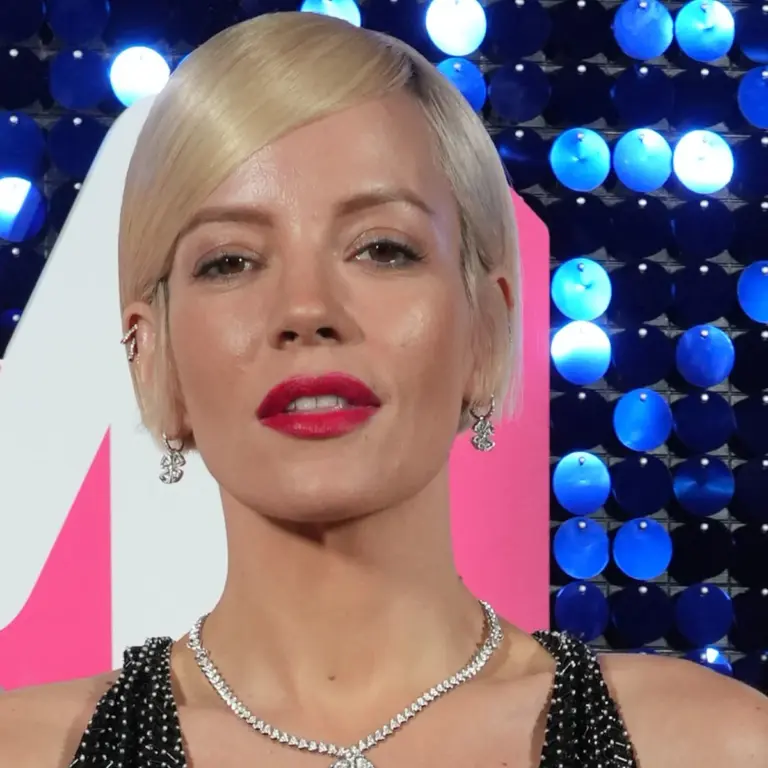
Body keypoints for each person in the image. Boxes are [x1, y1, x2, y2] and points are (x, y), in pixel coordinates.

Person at [1, 12, 767, 768]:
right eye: (230, 261)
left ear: (488, 326)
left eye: (382, 249)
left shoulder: (711, 747)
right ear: (150, 356)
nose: (306, 309)